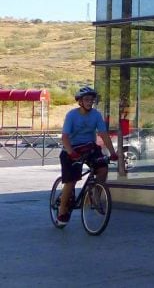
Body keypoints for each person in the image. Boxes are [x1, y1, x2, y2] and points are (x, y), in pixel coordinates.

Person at [57, 86, 118, 226]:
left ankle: (95, 195)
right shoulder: (72, 115)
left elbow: (103, 134)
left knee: (103, 168)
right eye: (86, 99)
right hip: (71, 149)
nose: (90, 102)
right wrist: (71, 152)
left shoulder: (96, 115)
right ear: (80, 101)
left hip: (89, 147)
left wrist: (113, 152)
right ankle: (62, 211)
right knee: (71, 181)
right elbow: (65, 137)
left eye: (91, 100)